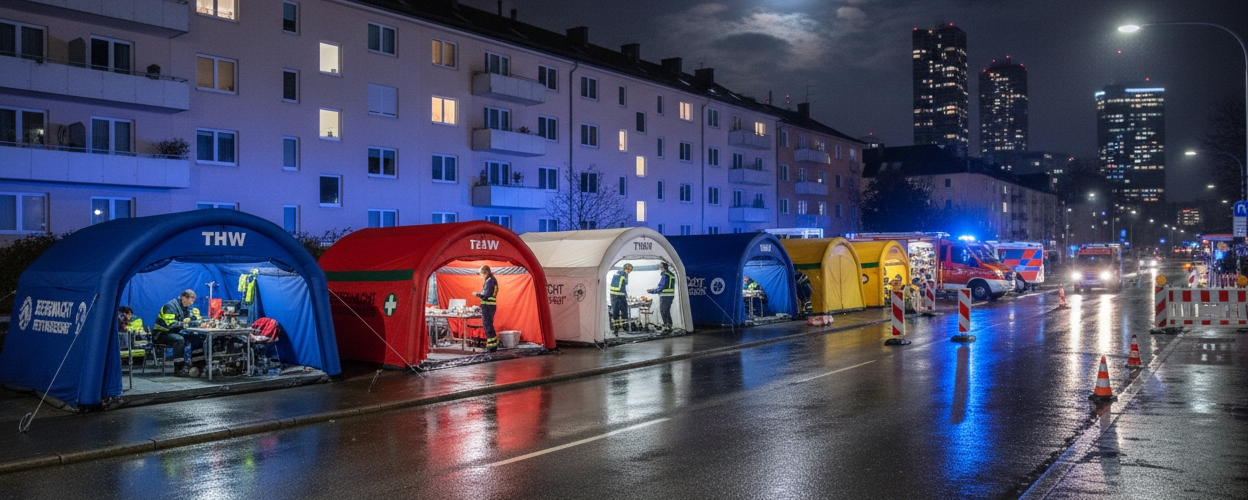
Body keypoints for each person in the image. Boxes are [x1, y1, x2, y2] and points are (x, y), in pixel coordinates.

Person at [153, 290, 198, 376]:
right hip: (161, 334)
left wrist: (198, 321)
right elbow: (171, 325)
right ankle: (179, 368)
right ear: (184, 298)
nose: (191, 304)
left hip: (174, 332)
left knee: (195, 338)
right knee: (179, 340)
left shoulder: (184, 307)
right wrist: (186, 323)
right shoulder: (170, 306)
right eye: (190, 301)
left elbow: (191, 317)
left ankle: (198, 364)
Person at [473, 265, 499, 352]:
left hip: (488, 307)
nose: (481, 276)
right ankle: (492, 345)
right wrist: (480, 306)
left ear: (486, 272)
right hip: (489, 306)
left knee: (488, 326)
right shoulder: (492, 280)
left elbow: (486, 296)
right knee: (489, 326)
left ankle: (491, 347)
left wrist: (477, 294)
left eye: (482, 274)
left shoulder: (490, 281)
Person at [647, 262, 676, 333]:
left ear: (664, 266)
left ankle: (667, 327)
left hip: (665, 295)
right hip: (670, 295)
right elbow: (661, 285)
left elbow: (662, 286)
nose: (660, 267)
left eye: (661, 266)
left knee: (663, 311)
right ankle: (669, 325)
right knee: (666, 311)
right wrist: (654, 289)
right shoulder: (670, 274)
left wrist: (652, 291)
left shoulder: (665, 274)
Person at [609, 263, 632, 333]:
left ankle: (616, 328)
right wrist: (626, 295)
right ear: (627, 268)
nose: (630, 272)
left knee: (615, 311)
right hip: (620, 295)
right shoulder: (624, 274)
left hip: (612, 294)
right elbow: (625, 285)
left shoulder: (617, 273)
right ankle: (625, 327)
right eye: (630, 270)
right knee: (624, 311)